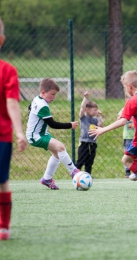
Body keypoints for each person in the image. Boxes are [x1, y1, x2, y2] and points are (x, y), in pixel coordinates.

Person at [89, 70, 137, 190]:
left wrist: (103, 129)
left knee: (126, 160)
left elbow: (122, 121)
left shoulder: (132, 101)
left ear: (129, 86)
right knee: (133, 155)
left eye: (124, 88)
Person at [26, 78, 80, 190]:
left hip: (40, 134)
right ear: (43, 92)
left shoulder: (37, 99)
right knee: (60, 147)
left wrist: (29, 122)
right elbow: (53, 124)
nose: (54, 97)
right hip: (36, 137)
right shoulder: (43, 106)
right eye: (52, 94)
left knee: (57, 154)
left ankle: (47, 179)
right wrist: (70, 125)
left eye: (55, 95)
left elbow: (29, 107)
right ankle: (73, 171)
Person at [0, 17, 27, 240]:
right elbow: (11, 103)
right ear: (2, 40)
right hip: (2, 136)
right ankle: (4, 227)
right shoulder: (7, 70)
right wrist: (20, 133)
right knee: (3, 181)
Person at [75, 91, 104, 174]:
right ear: (87, 110)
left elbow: (100, 125)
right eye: (94, 110)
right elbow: (82, 108)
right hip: (84, 142)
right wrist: (85, 98)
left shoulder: (95, 119)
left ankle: (88, 175)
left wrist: (100, 117)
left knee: (90, 162)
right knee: (81, 160)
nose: (96, 112)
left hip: (93, 143)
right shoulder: (83, 118)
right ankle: (75, 174)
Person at [117, 92, 135, 178]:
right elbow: (118, 119)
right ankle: (127, 171)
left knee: (136, 154)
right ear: (126, 101)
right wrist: (124, 115)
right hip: (128, 136)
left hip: (136, 136)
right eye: (129, 99)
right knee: (127, 153)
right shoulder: (124, 110)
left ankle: (136, 171)